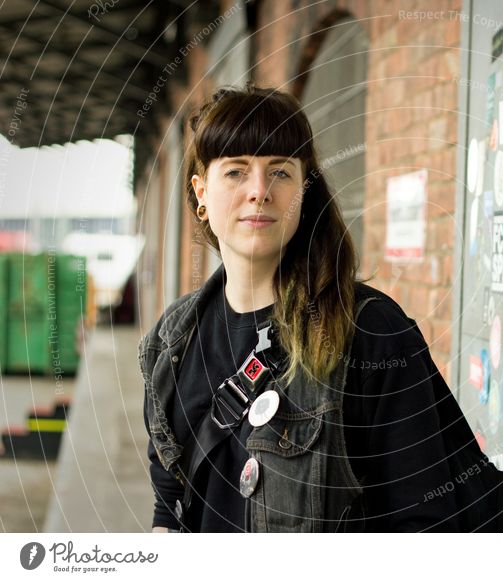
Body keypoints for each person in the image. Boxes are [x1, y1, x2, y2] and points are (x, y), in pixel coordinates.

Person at [138, 84, 463, 533]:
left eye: (280, 172)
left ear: (303, 190)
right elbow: (168, 506)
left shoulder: (368, 332)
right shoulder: (171, 340)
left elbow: (428, 523)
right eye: (235, 172)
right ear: (201, 194)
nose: (259, 191)